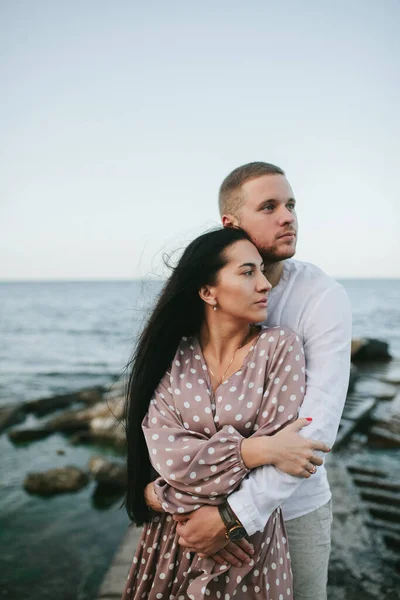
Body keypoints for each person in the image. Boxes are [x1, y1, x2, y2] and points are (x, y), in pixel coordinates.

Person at [159, 162, 352, 600]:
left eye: (291, 204)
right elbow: (163, 406)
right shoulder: (201, 294)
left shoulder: (321, 298)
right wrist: (156, 495)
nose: (288, 216)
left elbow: (314, 432)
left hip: (294, 510)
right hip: (197, 508)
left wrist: (232, 516)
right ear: (231, 224)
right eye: (269, 207)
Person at [122, 227, 326, 600]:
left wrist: (161, 497)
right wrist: (254, 451)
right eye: (248, 272)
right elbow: (169, 456)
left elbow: (284, 457)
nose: (265, 284)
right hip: (175, 544)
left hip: (246, 548)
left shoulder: (279, 347)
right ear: (207, 291)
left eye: (263, 271)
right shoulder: (174, 356)